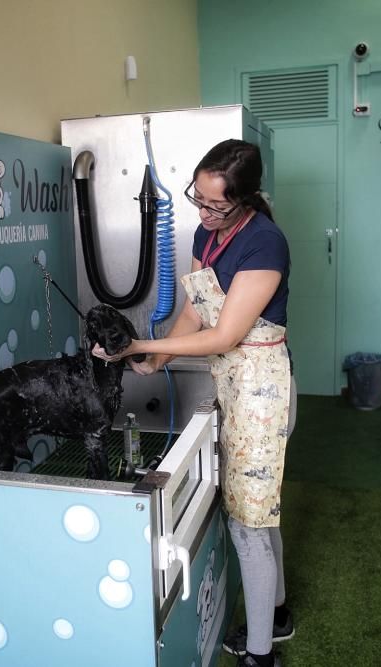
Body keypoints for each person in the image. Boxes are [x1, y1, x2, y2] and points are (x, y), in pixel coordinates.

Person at [93, 139, 295, 667]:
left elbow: (225, 334)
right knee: (260, 511)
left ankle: (260, 655)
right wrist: (154, 361)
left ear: (245, 201)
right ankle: (276, 614)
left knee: (248, 523)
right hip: (234, 385)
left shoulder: (264, 244)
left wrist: (143, 344)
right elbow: (194, 312)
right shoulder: (208, 240)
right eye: (197, 199)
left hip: (261, 393)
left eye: (215, 205)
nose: (203, 213)